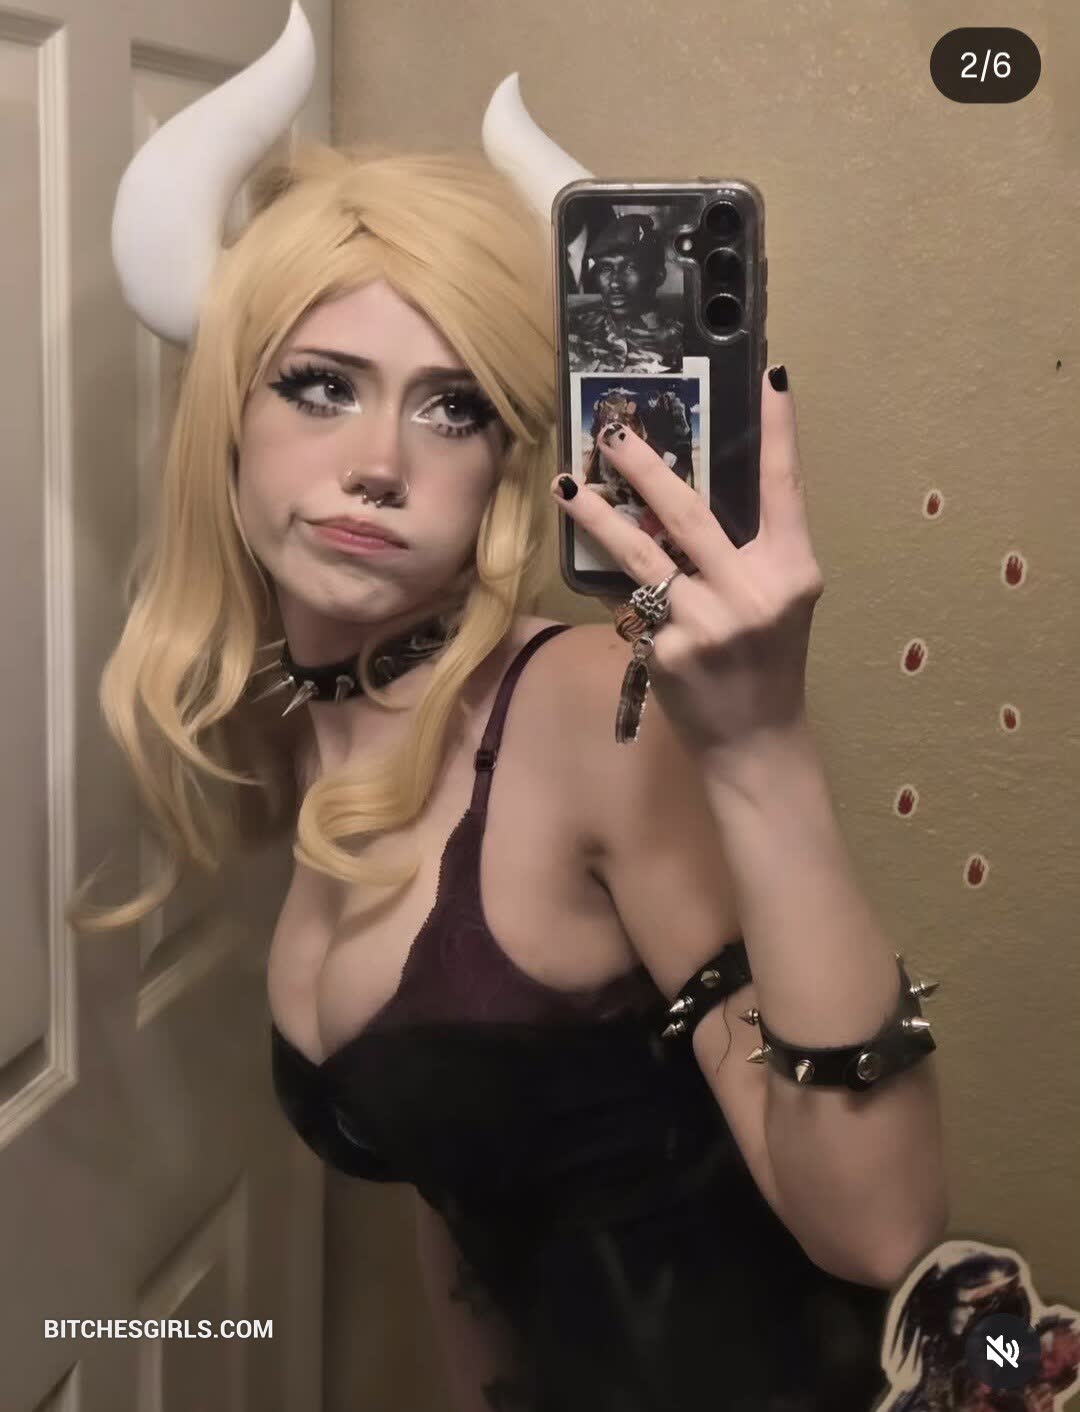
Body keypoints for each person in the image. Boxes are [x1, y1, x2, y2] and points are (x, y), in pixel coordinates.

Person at [68, 9, 948, 1410]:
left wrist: (761, 740)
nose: (376, 462)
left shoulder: (586, 710)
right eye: (320, 386)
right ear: (227, 419)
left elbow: (881, 1230)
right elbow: (464, 1185)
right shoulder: (316, 716)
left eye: (453, 408)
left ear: (505, 466)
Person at [567, 214, 684, 373]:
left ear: (658, 276)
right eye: (606, 268)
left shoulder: (682, 341)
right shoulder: (573, 329)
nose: (615, 283)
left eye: (630, 267)